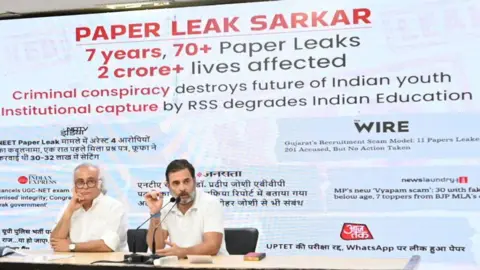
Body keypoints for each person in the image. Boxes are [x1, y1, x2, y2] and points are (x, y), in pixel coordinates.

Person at [145, 159, 228, 258]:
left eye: (186, 181)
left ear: (194, 181)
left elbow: (212, 247)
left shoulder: (210, 203)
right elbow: (156, 248)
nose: (182, 188)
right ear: (168, 186)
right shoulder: (165, 205)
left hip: (213, 265)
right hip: (179, 264)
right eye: (176, 183)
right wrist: (155, 213)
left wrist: (183, 252)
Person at [50, 163, 128, 252]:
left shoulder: (114, 207)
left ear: (99, 183)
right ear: (74, 186)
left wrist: (71, 247)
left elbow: (108, 245)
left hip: (106, 263)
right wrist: (69, 211)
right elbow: (55, 241)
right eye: (80, 182)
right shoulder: (69, 206)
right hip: (72, 262)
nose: (85, 187)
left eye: (91, 181)